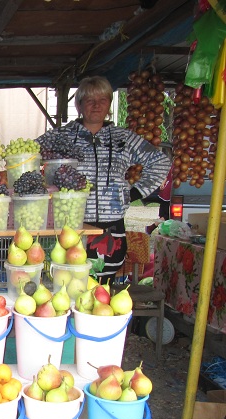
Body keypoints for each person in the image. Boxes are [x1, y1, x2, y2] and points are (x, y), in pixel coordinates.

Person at [37, 76, 170, 284]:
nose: (96, 105)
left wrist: (133, 193)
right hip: (70, 228)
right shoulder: (60, 136)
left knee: (102, 289)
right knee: (66, 286)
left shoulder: (123, 138)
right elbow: (27, 156)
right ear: (79, 105)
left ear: (109, 104)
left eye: (102, 99)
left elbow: (160, 162)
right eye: (89, 100)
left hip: (111, 230)